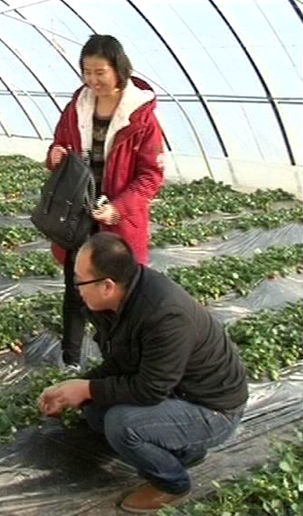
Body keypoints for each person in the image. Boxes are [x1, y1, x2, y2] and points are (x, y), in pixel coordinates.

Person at [38, 233, 248, 514]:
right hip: (177, 388)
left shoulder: (164, 314)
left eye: (79, 281)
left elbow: (150, 389)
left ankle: (172, 484)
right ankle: (183, 450)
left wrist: (86, 389)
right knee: (95, 411)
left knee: (121, 424)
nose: (76, 288)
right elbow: (121, 363)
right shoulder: (114, 304)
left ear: (107, 286)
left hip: (213, 408)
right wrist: (75, 387)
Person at [46, 35, 165, 371]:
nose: (93, 80)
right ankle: (71, 361)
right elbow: (58, 147)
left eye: (100, 72)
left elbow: (150, 177)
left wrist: (117, 208)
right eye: (87, 72)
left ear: (118, 70)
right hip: (78, 215)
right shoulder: (77, 108)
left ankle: (117, 364)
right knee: (76, 289)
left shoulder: (140, 117)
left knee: (115, 297)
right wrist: (54, 157)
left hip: (117, 221)